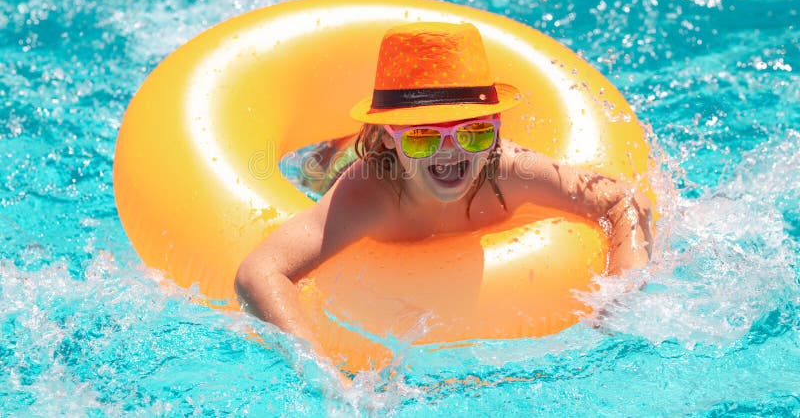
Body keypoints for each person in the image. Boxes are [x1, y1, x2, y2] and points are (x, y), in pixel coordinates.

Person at [235, 22, 652, 353]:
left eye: (472, 132)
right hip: (340, 163)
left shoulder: (511, 169)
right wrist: (322, 375)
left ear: (495, 129)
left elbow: (622, 200)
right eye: (423, 137)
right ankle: (343, 144)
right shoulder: (368, 193)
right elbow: (259, 272)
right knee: (313, 170)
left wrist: (619, 301)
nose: (450, 153)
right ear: (386, 138)